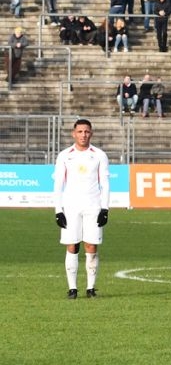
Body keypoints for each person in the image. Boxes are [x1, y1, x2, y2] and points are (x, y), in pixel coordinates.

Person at [54, 118, 111, 297]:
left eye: (86, 131)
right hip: (71, 207)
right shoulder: (64, 155)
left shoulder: (99, 155)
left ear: (91, 133)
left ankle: (90, 288)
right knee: (72, 246)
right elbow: (58, 184)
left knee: (91, 246)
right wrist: (58, 210)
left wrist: (105, 208)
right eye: (80, 131)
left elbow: (105, 183)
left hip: (93, 207)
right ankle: (72, 288)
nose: (83, 135)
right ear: (74, 133)